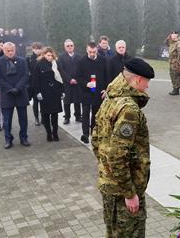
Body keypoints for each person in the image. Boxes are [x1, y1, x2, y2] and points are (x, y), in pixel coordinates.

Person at [91, 57, 155, 238]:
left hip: (109, 184)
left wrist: (107, 170)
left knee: (113, 233)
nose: (147, 86)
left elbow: (95, 139)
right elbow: (118, 155)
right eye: (147, 82)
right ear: (138, 80)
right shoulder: (128, 109)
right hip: (124, 190)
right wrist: (129, 193)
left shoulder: (110, 98)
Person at [0, 42, 30, 149]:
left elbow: (25, 75)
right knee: (7, 120)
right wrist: (10, 88)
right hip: (6, 94)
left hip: (20, 93)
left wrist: (18, 87)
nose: (10, 52)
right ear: (3, 50)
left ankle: (24, 138)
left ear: (15, 50)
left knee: (23, 119)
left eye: (12, 50)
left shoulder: (22, 61)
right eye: (7, 50)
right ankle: (8, 139)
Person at [76, 42, 107, 144]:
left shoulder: (103, 60)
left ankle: (93, 132)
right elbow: (78, 77)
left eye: (94, 52)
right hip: (86, 92)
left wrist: (106, 89)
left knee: (95, 113)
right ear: (86, 50)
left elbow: (107, 75)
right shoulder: (81, 61)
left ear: (97, 50)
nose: (92, 54)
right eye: (90, 52)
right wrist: (86, 84)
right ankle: (85, 134)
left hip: (98, 92)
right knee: (85, 113)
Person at [34, 47, 64, 141]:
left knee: (55, 114)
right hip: (44, 92)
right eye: (48, 55)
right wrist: (37, 92)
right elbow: (35, 79)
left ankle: (55, 132)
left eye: (51, 55)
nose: (50, 57)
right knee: (46, 114)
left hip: (55, 92)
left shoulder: (55, 63)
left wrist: (63, 91)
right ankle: (48, 133)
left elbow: (61, 77)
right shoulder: (38, 64)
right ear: (44, 55)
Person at [58, 39, 82, 124]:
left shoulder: (79, 56)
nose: (70, 47)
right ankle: (67, 117)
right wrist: (69, 79)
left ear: (73, 46)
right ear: (65, 47)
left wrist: (77, 79)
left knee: (77, 100)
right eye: (68, 46)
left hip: (77, 82)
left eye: (71, 45)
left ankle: (78, 116)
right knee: (67, 101)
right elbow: (61, 70)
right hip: (67, 83)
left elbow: (81, 69)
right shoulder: (61, 57)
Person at [27, 42, 43, 125]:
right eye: (35, 48)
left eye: (39, 48)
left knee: (44, 102)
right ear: (33, 49)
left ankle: (44, 117)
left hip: (43, 83)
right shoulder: (29, 58)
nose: (37, 50)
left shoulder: (44, 57)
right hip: (33, 83)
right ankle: (36, 118)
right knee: (36, 102)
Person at [166, 31, 180, 96]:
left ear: (177, 36)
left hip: (175, 62)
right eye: (172, 35)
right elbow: (166, 43)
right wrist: (168, 37)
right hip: (171, 62)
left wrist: (178, 62)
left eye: (174, 35)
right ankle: (174, 88)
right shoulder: (172, 43)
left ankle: (176, 89)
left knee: (176, 76)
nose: (172, 36)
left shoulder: (178, 43)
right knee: (172, 75)